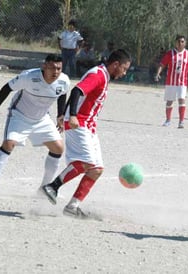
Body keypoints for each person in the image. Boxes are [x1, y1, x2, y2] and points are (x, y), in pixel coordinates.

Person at [41, 49, 131, 216]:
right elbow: (77, 91)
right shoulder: (98, 74)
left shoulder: (104, 76)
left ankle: (72, 207)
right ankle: (52, 186)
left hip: (88, 126)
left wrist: (64, 114)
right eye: (124, 68)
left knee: (96, 169)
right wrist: (72, 115)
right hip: (78, 123)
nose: (124, 73)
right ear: (115, 64)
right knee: (87, 163)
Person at [0, 54, 71, 196]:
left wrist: (60, 115)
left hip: (42, 119)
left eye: (59, 68)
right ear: (44, 66)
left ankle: (44, 189)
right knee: (8, 144)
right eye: (52, 68)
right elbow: (7, 88)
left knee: (58, 148)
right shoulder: (29, 77)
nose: (55, 72)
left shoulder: (64, 80)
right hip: (19, 116)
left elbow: (62, 94)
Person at [155, 35, 188, 129]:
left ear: (185, 43)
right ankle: (168, 120)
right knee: (169, 101)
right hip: (171, 82)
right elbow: (162, 64)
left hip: (182, 82)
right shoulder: (170, 53)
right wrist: (157, 74)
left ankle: (181, 122)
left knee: (182, 99)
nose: (180, 43)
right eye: (179, 41)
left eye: (182, 41)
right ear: (175, 43)